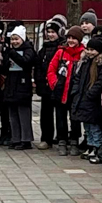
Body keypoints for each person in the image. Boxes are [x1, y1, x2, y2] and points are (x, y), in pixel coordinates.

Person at [72, 36, 102, 163]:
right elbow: (78, 78)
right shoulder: (85, 63)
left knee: (95, 126)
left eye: (92, 50)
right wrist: (77, 91)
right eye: (88, 49)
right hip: (83, 98)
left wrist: (90, 94)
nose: (89, 52)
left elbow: (100, 82)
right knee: (87, 126)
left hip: (92, 101)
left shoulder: (100, 64)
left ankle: (96, 146)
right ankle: (90, 145)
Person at [47, 26, 85, 155]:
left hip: (75, 91)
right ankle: (62, 141)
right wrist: (54, 83)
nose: (71, 41)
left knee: (75, 118)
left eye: (74, 38)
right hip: (60, 90)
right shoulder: (61, 52)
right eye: (69, 38)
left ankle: (74, 141)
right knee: (60, 117)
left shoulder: (83, 53)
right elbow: (51, 69)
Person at [0, 25, 36, 150]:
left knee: (24, 114)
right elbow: (3, 69)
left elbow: (25, 62)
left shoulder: (29, 50)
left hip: (23, 85)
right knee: (13, 114)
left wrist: (12, 53)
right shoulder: (8, 51)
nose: (14, 42)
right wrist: (6, 60)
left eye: (17, 39)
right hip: (10, 85)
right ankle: (15, 138)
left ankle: (26, 139)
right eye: (13, 39)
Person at [33, 20, 63, 149]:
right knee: (45, 114)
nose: (50, 35)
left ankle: (62, 138)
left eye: (53, 32)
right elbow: (38, 66)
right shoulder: (43, 49)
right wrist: (39, 81)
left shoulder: (62, 48)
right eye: (49, 32)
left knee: (61, 114)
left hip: (58, 86)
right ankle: (46, 138)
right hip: (45, 86)